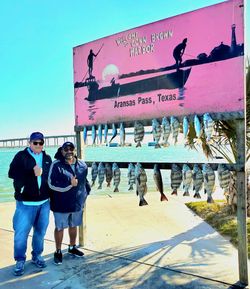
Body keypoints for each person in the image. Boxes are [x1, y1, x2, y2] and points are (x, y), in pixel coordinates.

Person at [8, 132, 52, 276]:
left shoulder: (47, 158)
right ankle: (20, 260)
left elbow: (51, 178)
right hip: (25, 203)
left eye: (41, 143)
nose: (38, 145)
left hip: (44, 203)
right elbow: (11, 173)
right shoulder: (21, 156)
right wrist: (30, 172)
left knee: (40, 233)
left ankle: (37, 256)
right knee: (21, 234)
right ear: (29, 143)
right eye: (35, 143)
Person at [48, 141, 90, 265]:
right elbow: (50, 183)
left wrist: (85, 195)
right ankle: (58, 251)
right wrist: (68, 185)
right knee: (60, 227)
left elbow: (85, 182)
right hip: (60, 204)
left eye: (71, 149)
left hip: (77, 203)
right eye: (66, 149)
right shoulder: (56, 165)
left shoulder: (82, 165)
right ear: (62, 151)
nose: (69, 151)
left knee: (74, 225)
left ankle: (72, 248)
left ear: (74, 150)